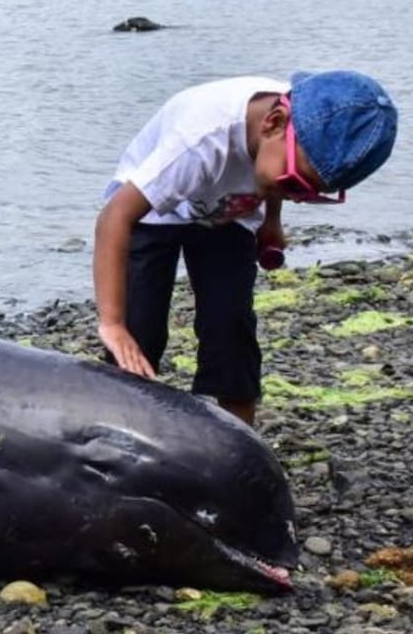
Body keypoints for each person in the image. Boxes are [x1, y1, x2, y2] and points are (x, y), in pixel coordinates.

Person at [93, 71, 398, 427]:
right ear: (273, 122)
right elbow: (114, 218)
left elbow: (279, 175)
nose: (298, 198)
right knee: (139, 329)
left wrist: (272, 221)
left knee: (231, 328)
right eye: (296, 185)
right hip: (154, 211)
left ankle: (237, 444)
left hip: (227, 213)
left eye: (312, 194)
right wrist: (112, 324)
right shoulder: (198, 143)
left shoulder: (299, 127)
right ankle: (119, 432)